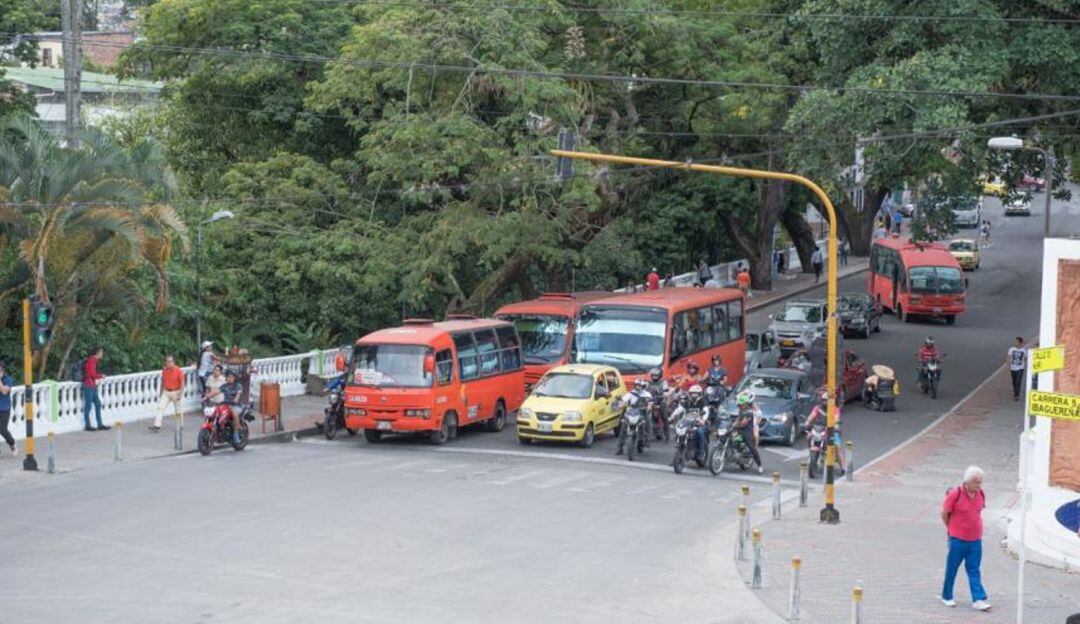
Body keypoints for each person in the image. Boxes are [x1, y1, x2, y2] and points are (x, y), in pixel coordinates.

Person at [940, 466, 991, 611]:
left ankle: (978, 599)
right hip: (958, 539)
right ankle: (947, 596)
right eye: (976, 482)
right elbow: (944, 512)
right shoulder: (955, 494)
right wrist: (950, 528)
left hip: (975, 540)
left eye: (981, 482)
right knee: (952, 568)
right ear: (967, 481)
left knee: (974, 569)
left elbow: (978, 511)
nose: (979, 485)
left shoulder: (981, 493)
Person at [668, 384, 712, 462]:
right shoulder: (688, 402)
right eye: (692, 393)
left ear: (699, 394)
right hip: (689, 421)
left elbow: (706, 411)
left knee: (700, 432)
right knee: (680, 430)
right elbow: (680, 409)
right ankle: (679, 454)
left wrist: (703, 420)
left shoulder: (703, 401)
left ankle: (701, 453)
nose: (693, 395)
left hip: (700, 423)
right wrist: (672, 416)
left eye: (695, 393)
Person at [804, 392, 844, 473]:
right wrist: (807, 423)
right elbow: (811, 416)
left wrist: (834, 425)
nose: (824, 402)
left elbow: (836, 419)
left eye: (826, 400)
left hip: (831, 430)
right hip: (819, 428)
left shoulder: (835, 409)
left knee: (837, 447)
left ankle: (842, 468)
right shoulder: (817, 408)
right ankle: (813, 455)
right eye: (823, 400)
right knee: (809, 436)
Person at [615, 379, 653, 455]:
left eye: (639, 385)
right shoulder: (630, 393)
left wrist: (649, 407)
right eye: (636, 385)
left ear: (643, 386)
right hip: (631, 412)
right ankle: (619, 448)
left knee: (647, 423)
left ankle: (646, 441)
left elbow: (650, 403)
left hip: (642, 413)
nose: (638, 387)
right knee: (623, 429)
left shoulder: (647, 394)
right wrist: (620, 404)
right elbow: (623, 401)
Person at [150, 355, 184, 433]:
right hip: (166, 391)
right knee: (160, 408)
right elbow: (163, 381)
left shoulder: (178, 371)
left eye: (170, 361)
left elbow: (182, 383)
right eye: (167, 361)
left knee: (178, 409)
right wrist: (160, 392)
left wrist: (180, 394)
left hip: (176, 391)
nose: (168, 363)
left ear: (173, 362)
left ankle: (180, 425)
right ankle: (157, 425)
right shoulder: (165, 370)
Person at [734, 391, 764, 474]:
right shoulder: (741, 410)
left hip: (747, 431)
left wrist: (736, 424)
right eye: (739, 405)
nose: (739, 406)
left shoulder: (749, 412)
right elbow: (738, 419)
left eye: (741, 405)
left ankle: (759, 465)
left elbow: (743, 423)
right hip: (739, 429)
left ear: (746, 404)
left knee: (752, 447)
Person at [81, 347, 109, 432]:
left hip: (92, 385)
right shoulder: (91, 360)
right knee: (88, 406)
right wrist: (101, 376)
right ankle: (87, 425)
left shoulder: (94, 361)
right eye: (101, 352)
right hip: (88, 385)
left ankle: (100, 424)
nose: (102, 354)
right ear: (97, 353)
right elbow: (91, 374)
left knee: (98, 404)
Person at [218, 370, 245, 444]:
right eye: (228, 377)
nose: (229, 378)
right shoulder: (224, 386)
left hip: (237, 406)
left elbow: (238, 394)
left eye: (231, 377)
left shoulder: (238, 386)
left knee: (234, 412)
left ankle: (236, 433)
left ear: (234, 378)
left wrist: (236, 398)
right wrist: (206, 396)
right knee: (217, 412)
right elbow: (215, 391)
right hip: (226, 405)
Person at [0, 360, 16, 456]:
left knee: (3, 430)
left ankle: (12, 443)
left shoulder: (8, 379)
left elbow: (4, 392)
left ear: (2, 370)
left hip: (4, 408)